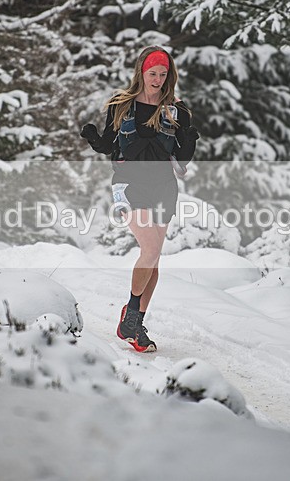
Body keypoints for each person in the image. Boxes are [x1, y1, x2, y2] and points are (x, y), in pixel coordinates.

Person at [81, 46, 200, 352]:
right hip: (130, 183)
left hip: (163, 185)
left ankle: (135, 323)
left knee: (154, 257)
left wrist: (190, 138)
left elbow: (182, 160)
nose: (157, 79)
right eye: (152, 74)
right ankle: (131, 317)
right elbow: (108, 144)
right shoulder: (122, 104)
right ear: (141, 73)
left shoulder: (177, 110)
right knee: (149, 249)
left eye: (163, 74)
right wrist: (93, 137)